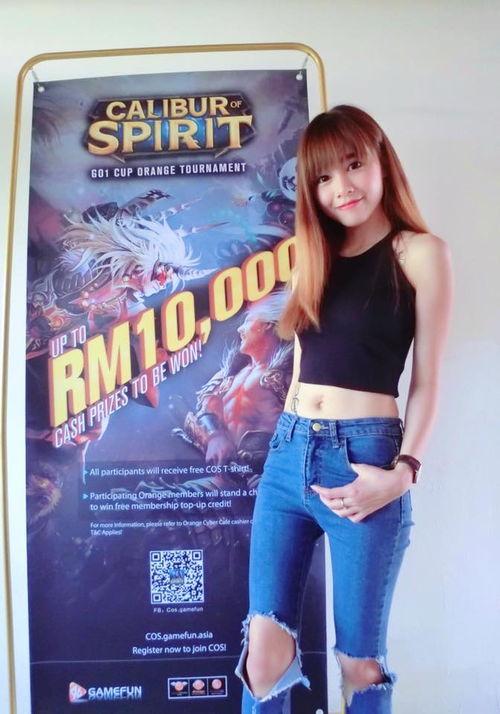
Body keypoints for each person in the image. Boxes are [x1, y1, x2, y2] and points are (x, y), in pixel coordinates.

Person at [234, 104, 453, 713]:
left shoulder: (419, 253)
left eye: (353, 165)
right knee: (263, 652)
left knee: (360, 662)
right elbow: (302, 365)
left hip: (365, 459)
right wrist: (285, 444)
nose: (342, 187)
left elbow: (428, 380)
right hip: (288, 456)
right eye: (324, 178)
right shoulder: (314, 255)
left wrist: (403, 473)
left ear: (381, 161)